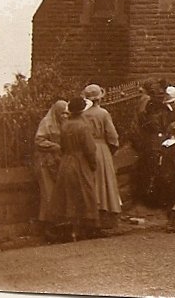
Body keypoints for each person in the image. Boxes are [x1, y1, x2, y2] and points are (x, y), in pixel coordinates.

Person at [46, 97, 98, 241]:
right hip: (81, 161)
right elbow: (89, 148)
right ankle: (84, 229)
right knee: (85, 193)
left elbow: (62, 145)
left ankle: (72, 230)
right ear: (82, 111)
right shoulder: (84, 126)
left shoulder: (65, 125)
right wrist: (93, 163)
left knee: (69, 195)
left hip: (66, 161)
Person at [82, 84, 122, 227]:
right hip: (101, 148)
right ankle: (105, 216)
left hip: (86, 149)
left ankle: (91, 215)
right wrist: (112, 147)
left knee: (91, 181)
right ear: (99, 99)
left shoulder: (82, 114)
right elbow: (112, 135)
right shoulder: (103, 113)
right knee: (104, 181)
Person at [34, 100, 68, 234]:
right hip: (45, 162)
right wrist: (53, 146)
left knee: (57, 193)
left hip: (56, 162)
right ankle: (48, 226)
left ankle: (57, 224)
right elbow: (39, 140)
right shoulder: (46, 122)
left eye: (66, 113)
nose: (64, 116)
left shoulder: (63, 123)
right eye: (62, 113)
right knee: (48, 193)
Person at [157, 124, 175, 232]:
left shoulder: (163, 146)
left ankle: (169, 220)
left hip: (164, 175)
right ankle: (171, 223)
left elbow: (160, 162)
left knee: (168, 198)